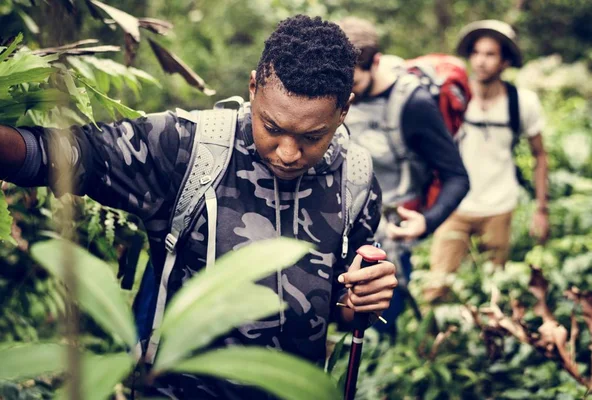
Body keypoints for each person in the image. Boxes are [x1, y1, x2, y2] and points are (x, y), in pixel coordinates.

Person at [0, 15, 398, 398]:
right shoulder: (187, 147)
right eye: (272, 128)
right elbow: (70, 153)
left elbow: (338, 308)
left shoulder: (356, 179)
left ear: (344, 109)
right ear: (254, 87)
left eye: (313, 136)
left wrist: (362, 300)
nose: (289, 153)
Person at [337, 17, 470, 338]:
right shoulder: (337, 89)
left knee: (378, 328)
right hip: (339, 222)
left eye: (351, 84)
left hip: (388, 234)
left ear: (376, 62)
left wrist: (427, 220)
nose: (345, 95)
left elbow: (457, 176)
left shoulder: (414, 104)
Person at [427, 20, 549, 301]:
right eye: (476, 53)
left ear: (505, 61)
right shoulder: (451, 97)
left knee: (494, 291)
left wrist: (541, 209)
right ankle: (433, 343)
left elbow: (540, 155)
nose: (481, 61)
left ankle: (487, 342)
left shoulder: (522, 103)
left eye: (490, 54)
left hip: (499, 207)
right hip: (453, 206)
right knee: (436, 288)